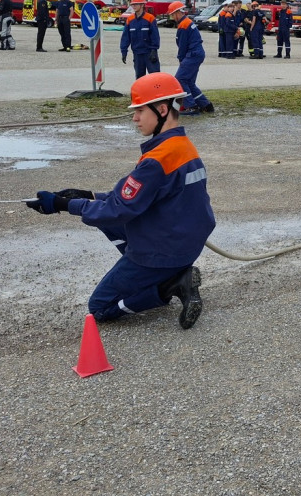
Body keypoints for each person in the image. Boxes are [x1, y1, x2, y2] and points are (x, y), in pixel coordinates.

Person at [25, 73, 214, 329]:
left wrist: (62, 205)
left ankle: (168, 286)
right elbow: (136, 197)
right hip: (184, 242)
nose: (135, 118)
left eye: (140, 111)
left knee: (100, 307)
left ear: (161, 110)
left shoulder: (156, 160)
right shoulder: (182, 146)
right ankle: (163, 275)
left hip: (164, 250)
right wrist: (88, 196)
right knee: (102, 218)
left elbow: (119, 209)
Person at [168, 1, 214, 114]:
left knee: (180, 79)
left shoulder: (183, 25)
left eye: (172, 15)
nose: (172, 17)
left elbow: (182, 46)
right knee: (189, 82)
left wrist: (181, 59)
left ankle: (191, 106)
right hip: (197, 53)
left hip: (192, 54)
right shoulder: (187, 22)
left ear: (177, 13)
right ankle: (206, 105)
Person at [120, 0, 161, 78]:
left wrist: (154, 50)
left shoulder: (150, 18)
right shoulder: (130, 20)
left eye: (136, 4)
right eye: (132, 4)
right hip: (137, 54)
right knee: (139, 78)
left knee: (155, 77)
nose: (134, 6)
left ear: (142, 5)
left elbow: (155, 36)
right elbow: (125, 37)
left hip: (149, 53)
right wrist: (124, 52)